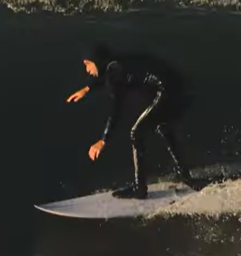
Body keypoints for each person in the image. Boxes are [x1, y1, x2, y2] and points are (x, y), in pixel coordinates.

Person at [66, 42, 204, 199]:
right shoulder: (116, 62)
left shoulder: (115, 71)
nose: (87, 70)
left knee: (136, 133)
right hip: (175, 87)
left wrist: (103, 140)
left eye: (88, 64)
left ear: (97, 60)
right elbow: (107, 76)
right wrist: (87, 89)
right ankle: (185, 175)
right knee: (162, 126)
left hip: (165, 90)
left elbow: (116, 109)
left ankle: (140, 189)